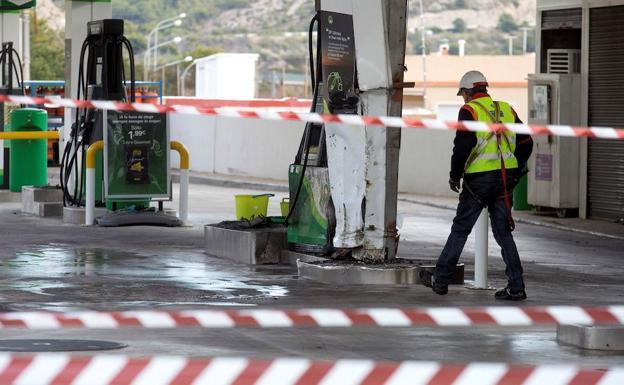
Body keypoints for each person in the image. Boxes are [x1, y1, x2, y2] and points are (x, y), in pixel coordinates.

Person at [420, 70, 533, 301]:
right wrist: (515, 169)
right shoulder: (506, 109)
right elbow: (526, 141)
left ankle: (440, 280)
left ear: (469, 92)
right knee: (504, 234)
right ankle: (516, 286)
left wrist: (454, 175)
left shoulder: (469, 110)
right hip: (504, 180)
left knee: (461, 230)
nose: (462, 98)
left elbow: (462, 146)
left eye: (463, 94)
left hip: (479, 181)